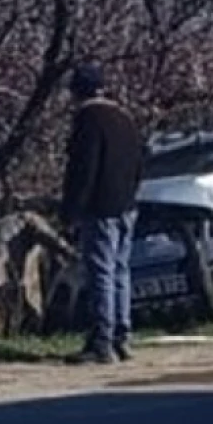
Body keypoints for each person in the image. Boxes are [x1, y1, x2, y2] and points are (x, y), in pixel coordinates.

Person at [57, 61, 144, 364]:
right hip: (127, 205)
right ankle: (123, 337)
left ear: (76, 92)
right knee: (121, 270)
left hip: (101, 206)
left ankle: (101, 340)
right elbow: (138, 165)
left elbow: (83, 170)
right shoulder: (125, 118)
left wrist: (70, 211)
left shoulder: (88, 120)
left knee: (101, 272)